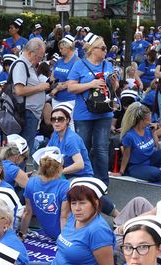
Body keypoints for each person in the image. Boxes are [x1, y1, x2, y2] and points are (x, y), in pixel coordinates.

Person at [27, 178, 114, 265]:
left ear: (96, 202)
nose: (77, 208)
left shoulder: (98, 231)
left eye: (82, 203)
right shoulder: (74, 218)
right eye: (73, 203)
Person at [68, 33, 117, 184]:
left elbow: (114, 88)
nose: (105, 50)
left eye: (106, 47)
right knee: (83, 148)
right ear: (92, 49)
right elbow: (71, 87)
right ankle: (83, 180)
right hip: (84, 114)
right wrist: (90, 84)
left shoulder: (107, 64)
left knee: (101, 148)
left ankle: (102, 183)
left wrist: (114, 84)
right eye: (103, 47)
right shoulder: (79, 64)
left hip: (104, 112)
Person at [119, 102, 161, 182]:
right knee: (156, 174)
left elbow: (157, 146)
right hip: (137, 165)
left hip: (151, 159)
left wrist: (154, 133)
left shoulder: (148, 129)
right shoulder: (129, 136)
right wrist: (121, 172)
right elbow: (126, 156)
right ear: (141, 121)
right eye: (148, 120)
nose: (150, 122)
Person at [19, 148, 69, 239]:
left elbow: (27, 212)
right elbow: (64, 217)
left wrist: (22, 234)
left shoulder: (31, 183)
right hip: (65, 233)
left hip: (48, 232)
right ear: (59, 168)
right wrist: (65, 242)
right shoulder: (65, 186)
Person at [13, 39, 50, 159]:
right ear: (30, 53)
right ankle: (18, 175)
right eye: (39, 57)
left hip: (30, 112)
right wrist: (40, 87)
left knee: (24, 148)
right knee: (23, 149)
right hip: (26, 112)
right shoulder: (21, 64)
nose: (40, 60)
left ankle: (19, 174)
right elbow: (19, 90)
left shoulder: (27, 65)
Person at [52, 36, 78, 109]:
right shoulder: (59, 61)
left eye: (61, 48)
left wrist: (59, 87)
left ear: (68, 47)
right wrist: (56, 85)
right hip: (56, 98)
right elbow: (52, 76)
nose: (59, 51)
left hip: (70, 99)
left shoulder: (77, 62)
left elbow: (76, 80)